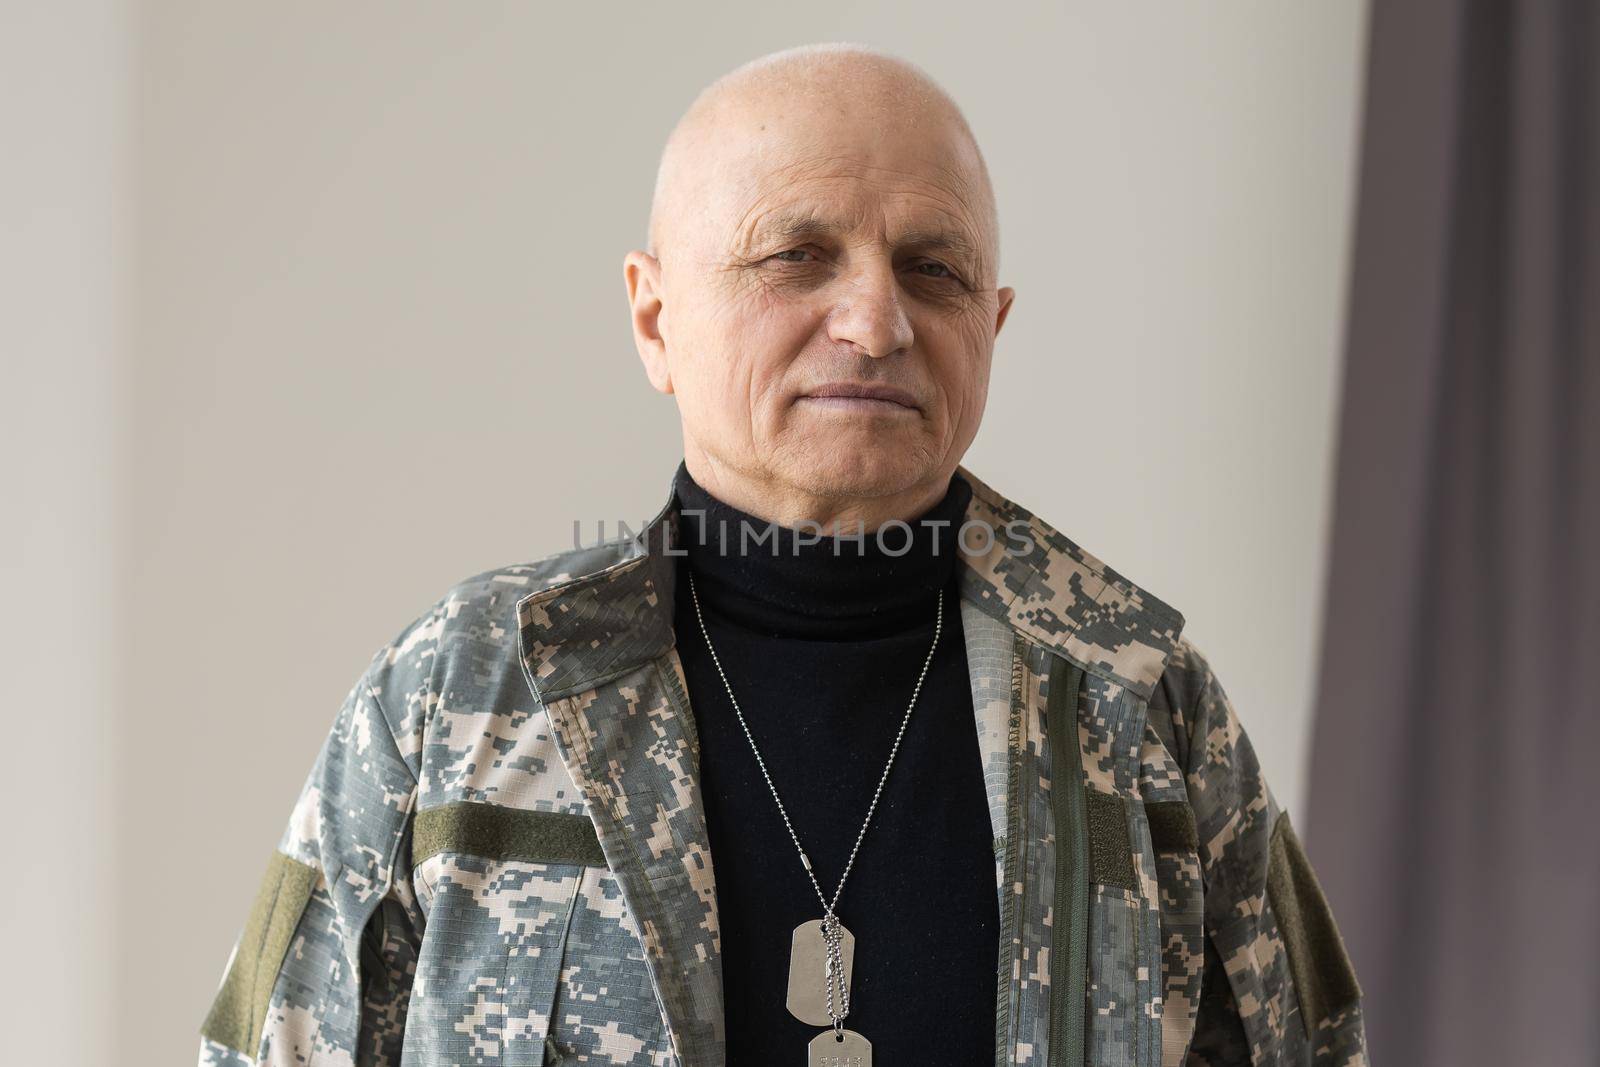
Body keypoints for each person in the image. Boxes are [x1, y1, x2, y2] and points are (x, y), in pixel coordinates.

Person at [197, 42, 1368, 1067]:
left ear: (990, 326)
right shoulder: (460, 694)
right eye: (796, 256)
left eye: (932, 267)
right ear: (656, 320)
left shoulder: (1139, 698)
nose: (875, 319)